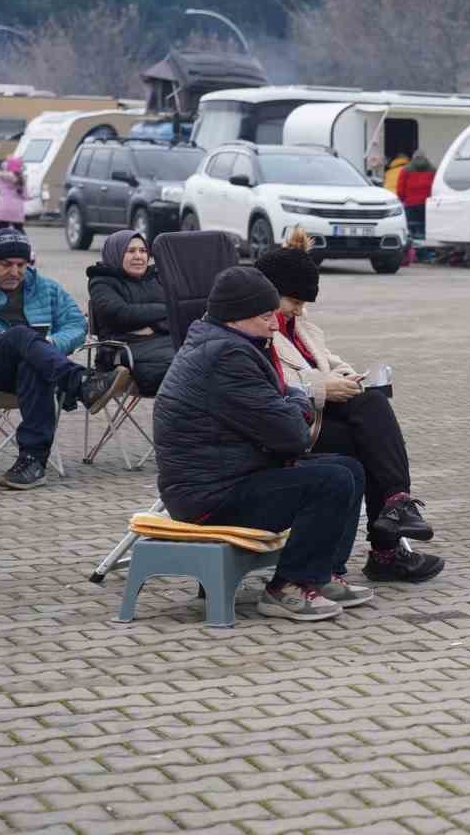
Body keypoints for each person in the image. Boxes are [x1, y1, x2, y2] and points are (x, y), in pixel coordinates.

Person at [153, 266, 371, 622]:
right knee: (329, 482)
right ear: (237, 317)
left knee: (348, 468)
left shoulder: (231, 343)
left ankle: (323, 573)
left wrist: (290, 400)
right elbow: (290, 435)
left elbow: (282, 411)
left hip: (230, 475)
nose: (275, 324)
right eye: (266, 316)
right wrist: (301, 396)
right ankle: (287, 587)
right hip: (208, 495)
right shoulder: (226, 357)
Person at [255, 228, 443, 584]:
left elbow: (326, 360)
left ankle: (395, 512)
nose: (299, 309)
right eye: (293, 301)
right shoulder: (259, 329)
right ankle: (388, 544)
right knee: (369, 435)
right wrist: (325, 388)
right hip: (292, 424)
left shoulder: (299, 324)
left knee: (370, 415)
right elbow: (270, 385)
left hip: (315, 418)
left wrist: (349, 377)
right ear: (271, 292)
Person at [0, 228, 126, 490]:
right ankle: (81, 383)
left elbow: (76, 325)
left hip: (35, 369)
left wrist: (52, 343)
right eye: (5, 264)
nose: (15, 272)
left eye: (21, 264)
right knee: (21, 336)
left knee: (33, 362)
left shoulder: (45, 288)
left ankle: (32, 461)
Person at [87, 231, 176, 395]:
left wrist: (153, 326)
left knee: (205, 361)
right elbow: (120, 314)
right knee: (186, 371)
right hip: (122, 352)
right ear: (116, 252)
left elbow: (179, 313)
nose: (139, 256)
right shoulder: (101, 281)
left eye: (143, 251)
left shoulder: (155, 278)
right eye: (131, 251)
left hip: (164, 344)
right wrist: (165, 311)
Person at [396, 150, 435, 241]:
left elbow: (400, 189)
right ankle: (426, 250)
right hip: (427, 204)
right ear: (425, 158)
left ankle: (413, 252)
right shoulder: (433, 169)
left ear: (413, 158)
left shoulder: (406, 169)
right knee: (425, 230)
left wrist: (403, 200)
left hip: (410, 205)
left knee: (412, 231)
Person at [0, 157, 26, 230]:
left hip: (3, 209)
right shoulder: (21, 180)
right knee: (19, 231)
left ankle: (1, 240)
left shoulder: (0, 178)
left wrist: (1, 193)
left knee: (1, 230)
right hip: (17, 211)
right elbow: (25, 196)